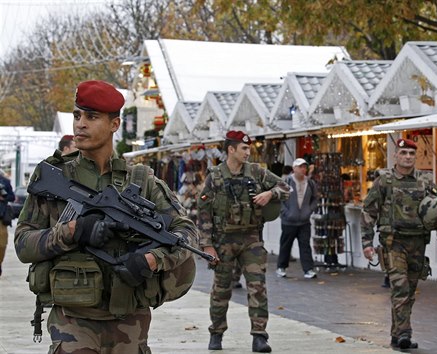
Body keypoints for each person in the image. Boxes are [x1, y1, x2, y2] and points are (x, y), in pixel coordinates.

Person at [14, 80, 199, 353]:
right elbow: (22, 243)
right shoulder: (56, 178)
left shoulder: (142, 180)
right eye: (77, 115)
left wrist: (151, 260)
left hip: (130, 322)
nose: (80, 124)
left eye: (91, 117)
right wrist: (74, 231)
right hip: (72, 321)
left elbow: (186, 233)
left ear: (115, 124)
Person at [196, 130, 290, 353]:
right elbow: (204, 211)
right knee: (221, 289)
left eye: (249, 148)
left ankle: (259, 337)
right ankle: (216, 333)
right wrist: (207, 245)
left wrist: (270, 194)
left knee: (258, 287)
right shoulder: (215, 176)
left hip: (251, 240)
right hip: (223, 241)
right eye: (244, 148)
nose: (248, 152)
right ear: (231, 149)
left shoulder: (257, 172)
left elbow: (286, 188)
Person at [361, 138, 437, 350]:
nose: (408, 157)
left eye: (412, 153)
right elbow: (369, 211)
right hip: (394, 243)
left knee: (409, 291)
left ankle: (397, 334)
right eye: (403, 153)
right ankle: (404, 334)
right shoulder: (384, 181)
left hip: (418, 243)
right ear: (396, 155)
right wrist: (367, 242)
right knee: (400, 287)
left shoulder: (425, 181)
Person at [276, 158, 319, 279]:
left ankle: (308, 269)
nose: (303, 169)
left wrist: (309, 210)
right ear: (294, 168)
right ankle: (281, 267)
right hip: (289, 220)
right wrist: (286, 213)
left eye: (304, 167)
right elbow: (278, 199)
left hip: (304, 221)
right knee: (286, 244)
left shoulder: (310, 183)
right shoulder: (286, 182)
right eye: (300, 167)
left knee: (305, 245)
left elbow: (315, 198)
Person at [0, 170, 15, 277]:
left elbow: (12, 197)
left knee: (2, 245)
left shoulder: (5, 181)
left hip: (1, 219)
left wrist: (3, 197)